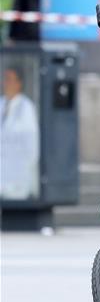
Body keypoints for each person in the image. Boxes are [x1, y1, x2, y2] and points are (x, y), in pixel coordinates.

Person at [0, 64, 39, 200]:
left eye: (10, 79)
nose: (6, 84)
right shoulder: (1, 104)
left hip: (18, 182)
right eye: (5, 79)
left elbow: (31, 147)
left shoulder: (26, 108)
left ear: (19, 83)